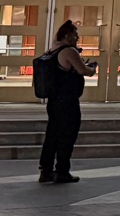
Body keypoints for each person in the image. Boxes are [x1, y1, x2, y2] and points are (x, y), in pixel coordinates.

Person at [37, 20, 91, 185]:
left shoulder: (52, 50)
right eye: (75, 35)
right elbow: (83, 70)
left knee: (52, 135)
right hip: (68, 101)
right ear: (68, 35)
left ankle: (46, 170)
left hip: (54, 100)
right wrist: (92, 69)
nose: (77, 38)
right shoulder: (69, 51)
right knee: (67, 135)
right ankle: (62, 171)